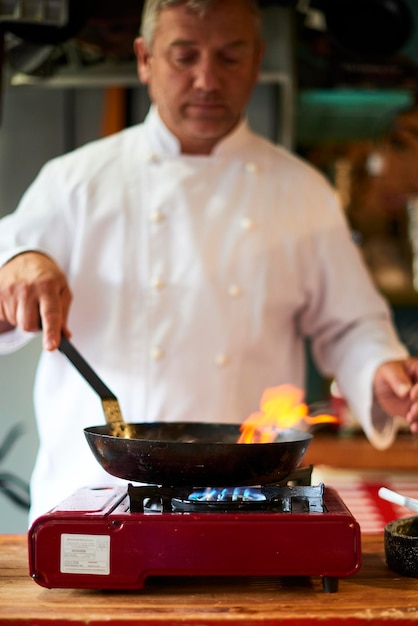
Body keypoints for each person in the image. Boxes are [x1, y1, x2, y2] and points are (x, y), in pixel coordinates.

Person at [1, 0, 418, 524]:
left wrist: (381, 370)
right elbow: (10, 269)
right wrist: (18, 267)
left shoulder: (301, 191)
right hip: (89, 503)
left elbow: (352, 324)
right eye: (184, 56)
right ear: (145, 58)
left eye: (229, 57)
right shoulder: (75, 182)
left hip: (246, 504)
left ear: (258, 59)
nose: (207, 80)